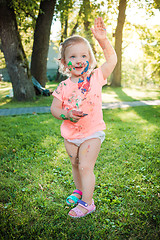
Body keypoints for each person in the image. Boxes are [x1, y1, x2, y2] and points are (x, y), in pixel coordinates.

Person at [51, 17, 117, 218]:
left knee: (85, 165)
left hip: (92, 132)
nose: (79, 60)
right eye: (73, 56)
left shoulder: (95, 77)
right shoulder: (62, 86)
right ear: (64, 62)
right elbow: (54, 109)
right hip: (71, 134)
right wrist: (67, 114)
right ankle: (79, 190)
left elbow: (112, 60)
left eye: (83, 55)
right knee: (74, 164)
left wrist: (103, 41)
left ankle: (87, 203)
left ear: (89, 58)